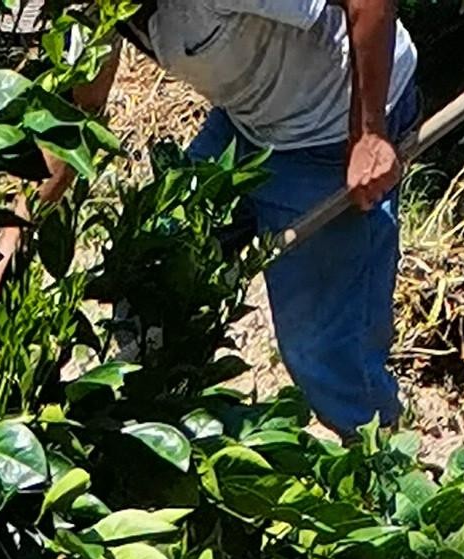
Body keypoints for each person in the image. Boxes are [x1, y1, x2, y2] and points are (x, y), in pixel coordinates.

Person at [134, 0, 419, 434]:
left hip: (330, 128)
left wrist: (369, 134)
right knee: (153, 263)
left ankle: (382, 468)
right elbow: (80, 109)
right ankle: (162, 434)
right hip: (250, 118)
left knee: (323, 352)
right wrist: (19, 220)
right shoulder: (96, 14)